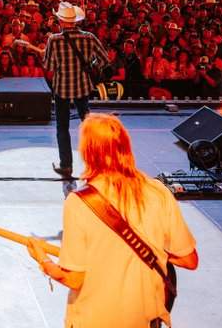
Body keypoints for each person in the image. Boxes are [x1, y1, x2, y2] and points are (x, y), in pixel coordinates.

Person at [27, 114, 198, 328]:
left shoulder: (79, 202)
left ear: (89, 153)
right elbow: (189, 260)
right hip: (144, 320)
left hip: (95, 319)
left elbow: (74, 278)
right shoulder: (159, 192)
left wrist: (43, 260)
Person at [16, 2, 108, 178]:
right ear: (75, 20)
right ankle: (98, 162)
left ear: (60, 20)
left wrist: (45, 54)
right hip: (83, 87)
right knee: (88, 126)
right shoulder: (89, 37)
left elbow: (49, 66)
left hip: (62, 89)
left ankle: (66, 166)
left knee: (62, 127)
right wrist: (90, 64)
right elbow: (104, 60)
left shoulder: (54, 40)